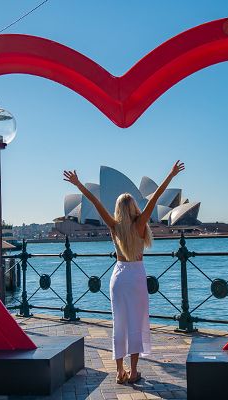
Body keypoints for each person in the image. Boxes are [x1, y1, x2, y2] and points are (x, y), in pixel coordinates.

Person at [63, 160, 185, 384]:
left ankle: (119, 372)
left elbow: (95, 201)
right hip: (136, 276)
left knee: (119, 324)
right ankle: (134, 371)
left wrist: (78, 184)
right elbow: (156, 196)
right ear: (134, 208)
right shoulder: (140, 225)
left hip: (118, 276)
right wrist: (171, 174)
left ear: (118, 209)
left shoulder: (113, 225)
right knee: (136, 324)